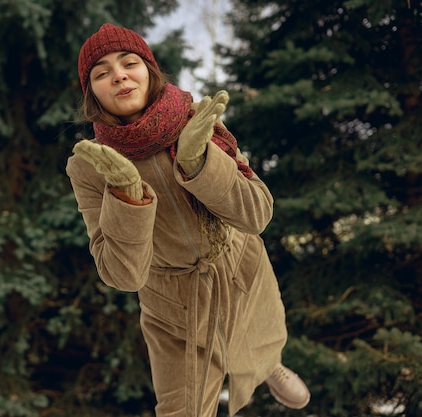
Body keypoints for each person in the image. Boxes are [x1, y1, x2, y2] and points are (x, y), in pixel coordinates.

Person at [65, 23, 310, 417]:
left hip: (238, 267)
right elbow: (123, 275)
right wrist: (127, 195)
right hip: (173, 304)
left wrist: (200, 164)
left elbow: (257, 213)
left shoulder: (197, 121)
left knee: (259, 333)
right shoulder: (89, 166)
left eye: (130, 63)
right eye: (101, 72)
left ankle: (267, 365)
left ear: (150, 71)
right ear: (92, 92)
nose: (119, 75)